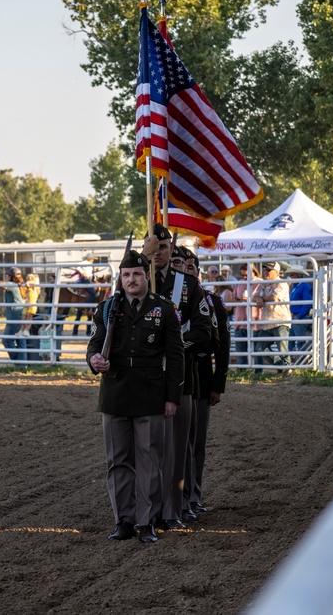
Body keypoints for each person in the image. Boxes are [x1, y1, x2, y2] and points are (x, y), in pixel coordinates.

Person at [86, 249, 184, 543]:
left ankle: (147, 521)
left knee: (150, 460)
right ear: (120, 277)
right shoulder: (106, 308)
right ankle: (123, 521)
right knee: (117, 461)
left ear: (147, 276)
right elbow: (94, 345)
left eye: (137, 274)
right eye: (126, 275)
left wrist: (172, 398)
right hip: (115, 392)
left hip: (151, 392)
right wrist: (94, 361)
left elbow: (176, 356)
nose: (131, 280)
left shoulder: (164, 309)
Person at [141, 229, 214, 529]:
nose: (158, 252)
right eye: (152, 247)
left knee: (177, 449)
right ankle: (144, 509)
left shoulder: (188, 285)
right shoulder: (135, 280)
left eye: (163, 246)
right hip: (142, 379)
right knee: (145, 448)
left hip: (180, 377)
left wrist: (174, 346)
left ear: (172, 248)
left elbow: (203, 330)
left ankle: (175, 509)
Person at [181, 250, 230, 518]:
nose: (186, 271)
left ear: (197, 273)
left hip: (200, 377)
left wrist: (217, 383)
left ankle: (193, 495)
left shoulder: (211, 302)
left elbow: (222, 345)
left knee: (195, 443)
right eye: (181, 266)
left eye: (190, 268)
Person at [253, 261, 290, 372]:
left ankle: (286, 367)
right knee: (259, 348)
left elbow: (274, 298)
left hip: (280, 321)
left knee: (282, 349)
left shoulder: (281, 283)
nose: (265, 272)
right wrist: (258, 298)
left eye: (268, 270)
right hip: (266, 322)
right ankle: (282, 366)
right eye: (265, 270)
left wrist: (261, 298)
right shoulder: (263, 284)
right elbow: (254, 296)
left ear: (276, 272)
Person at [228, 263, 260, 366]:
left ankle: (258, 370)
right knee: (241, 349)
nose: (244, 277)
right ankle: (242, 369)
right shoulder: (239, 283)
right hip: (240, 320)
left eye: (246, 275)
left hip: (255, 321)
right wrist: (239, 299)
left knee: (257, 349)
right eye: (242, 275)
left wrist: (245, 299)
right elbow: (233, 298)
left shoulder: (260, 283)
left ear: (253, 272)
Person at [0, 266, 27, 363]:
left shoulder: (12, 285)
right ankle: (22, 364)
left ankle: (18, 359)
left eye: (8, 275)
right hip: (21, 314)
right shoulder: (21, 285)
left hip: (14, 316)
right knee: (20, 340)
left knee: (6, 340)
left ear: (11, 276)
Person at [286, 266, 313, 366]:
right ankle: (294, 361)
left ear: (299, 275)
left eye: (292, 275)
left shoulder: (304, 286)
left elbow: (308, 302)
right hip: (294, 316)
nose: (290, 277)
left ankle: (302, 361)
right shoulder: (295, 286)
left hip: (299, 316)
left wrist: (300, 315)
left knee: (299, 340)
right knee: (292, 340)